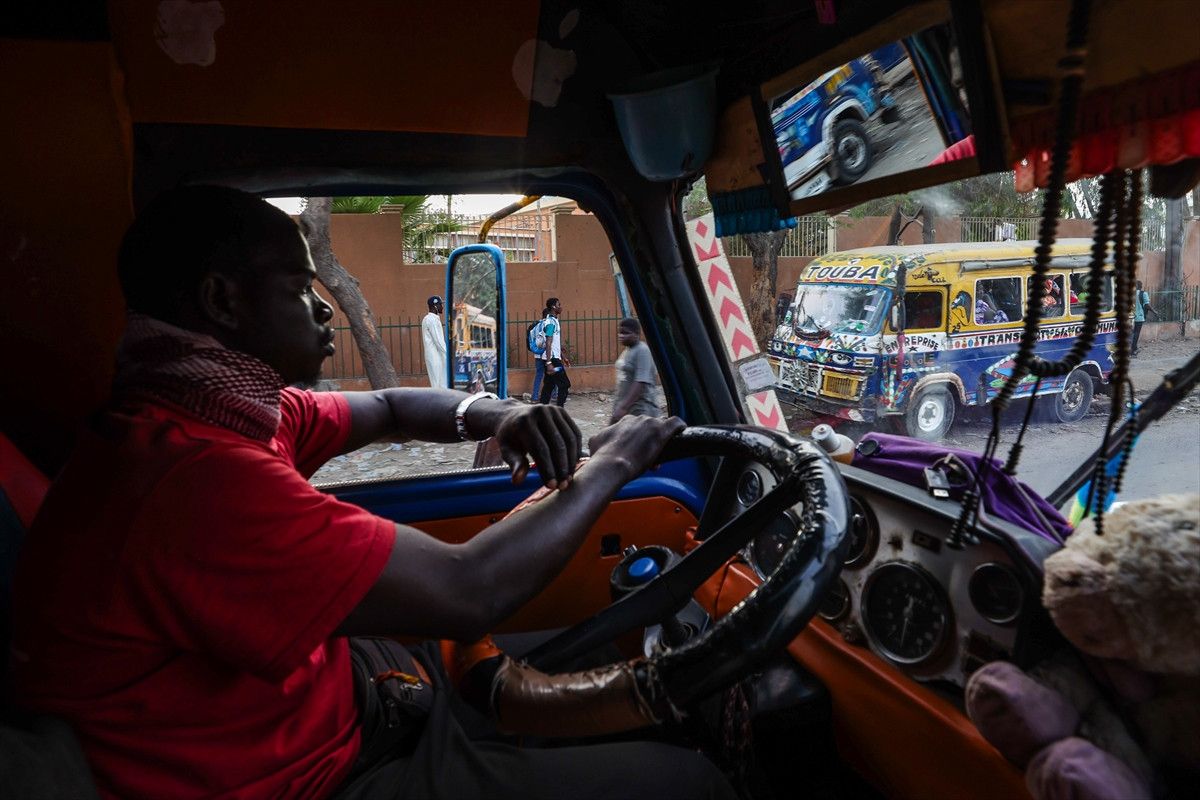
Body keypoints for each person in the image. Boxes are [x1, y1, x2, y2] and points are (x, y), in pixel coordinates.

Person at [9, 186, 729, 800]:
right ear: (222, 300)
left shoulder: (216, 414)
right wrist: (612, 461)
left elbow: (388, 406)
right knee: (689, 781)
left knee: (587, 657)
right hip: (322, 777)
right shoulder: (193, 480)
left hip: (354, 697)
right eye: (300, 289)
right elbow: (468, 589)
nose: (324, 311)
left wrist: (497, 414)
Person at [610, 318, 663, 424]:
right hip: (628, 410)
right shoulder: (628, 351)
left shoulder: (642, 350)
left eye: (626, 333)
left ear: (636, 334)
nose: (621, 336)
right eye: (620, 332)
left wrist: (623, 407)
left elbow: (640, 382)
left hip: (641, 411)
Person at [538, 297, 570, 407]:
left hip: (553, 359)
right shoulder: (550, 322)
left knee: (549, 385)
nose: (561, 307)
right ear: (553, 307)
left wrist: (563, 357)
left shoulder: (554, 320)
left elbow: (554, 343)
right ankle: (559, 410)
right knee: (565, 384)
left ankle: (542, 409)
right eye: (559, 304)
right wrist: (549, 363)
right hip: (552, 360)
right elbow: (548, 342)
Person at [529, 307, 556, 404]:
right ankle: (554, 395)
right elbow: (548, 340)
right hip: (546, 354)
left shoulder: (536, 325)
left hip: (537, 354)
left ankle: (534, 397)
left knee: (539, 375)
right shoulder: (548, 324)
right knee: (552, 374)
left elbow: (532, 339)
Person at [422, 295, 448, 388]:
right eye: (440, 304)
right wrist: (447, 354)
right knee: (437, 384)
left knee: (439, 383)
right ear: (435, 306)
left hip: (436, 355)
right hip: (435, 356)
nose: (442, 307)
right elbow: (438, 341)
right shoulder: (431, 320)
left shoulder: (432, 319)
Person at [1132, 279, 1156, 356]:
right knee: (1136, 333)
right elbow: (1146, 305)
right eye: (1141, 285)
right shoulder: (1143, 294)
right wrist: (1154, 312)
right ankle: (1132, 351)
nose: (1142, 286)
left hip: (1130, 317)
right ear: (1140, 286)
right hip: (1139, 316)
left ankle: (1134, 348)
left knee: (1132, 333)